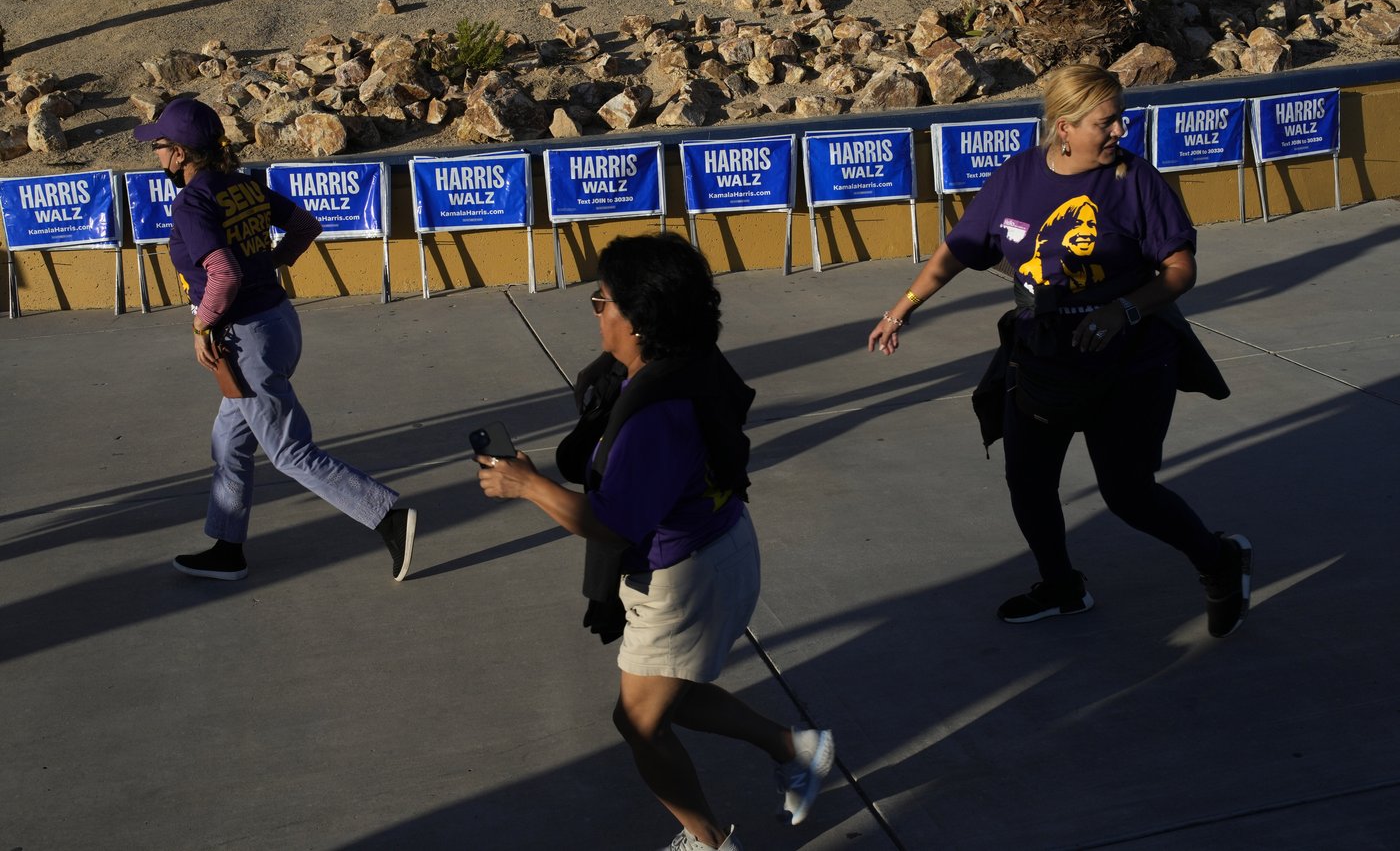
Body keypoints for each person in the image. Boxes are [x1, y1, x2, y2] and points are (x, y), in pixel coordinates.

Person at [868, 64, 1252, 638]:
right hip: (1043, 359)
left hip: (1131, 362)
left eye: (1121, 117)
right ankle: (1062, 587)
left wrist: (1120, 309)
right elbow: (960, 248)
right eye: (1107, 121)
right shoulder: (1016, 177)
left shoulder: (1134, 181)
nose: (1121, 129)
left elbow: (1180, 268)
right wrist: (901, 308)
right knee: (1028, 481)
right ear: (1064, 126)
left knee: (1128, 494)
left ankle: (1219, 561)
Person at [477, 234, 834, 851]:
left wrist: (526, 485)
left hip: (684, 578)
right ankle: (797, 749)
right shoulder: (690, 362)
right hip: (719, 547)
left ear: (638, 321)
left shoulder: (655, 414)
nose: (595, 310)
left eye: (601, 300)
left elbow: (613, 523)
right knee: (672, 695)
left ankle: (710, 842)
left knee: (640, 724)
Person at [134, 97, 416, 582]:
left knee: (289, 452)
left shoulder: (193, 201)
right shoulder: (242, 184)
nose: (155, 154)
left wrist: (202, 326)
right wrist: (272, 263)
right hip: (278, 324)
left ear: (180, 154)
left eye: (158, 145)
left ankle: (387, 515)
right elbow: (306, 225)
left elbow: (221, 276)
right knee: (228, 442)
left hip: (246, 342)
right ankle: (227, 549)